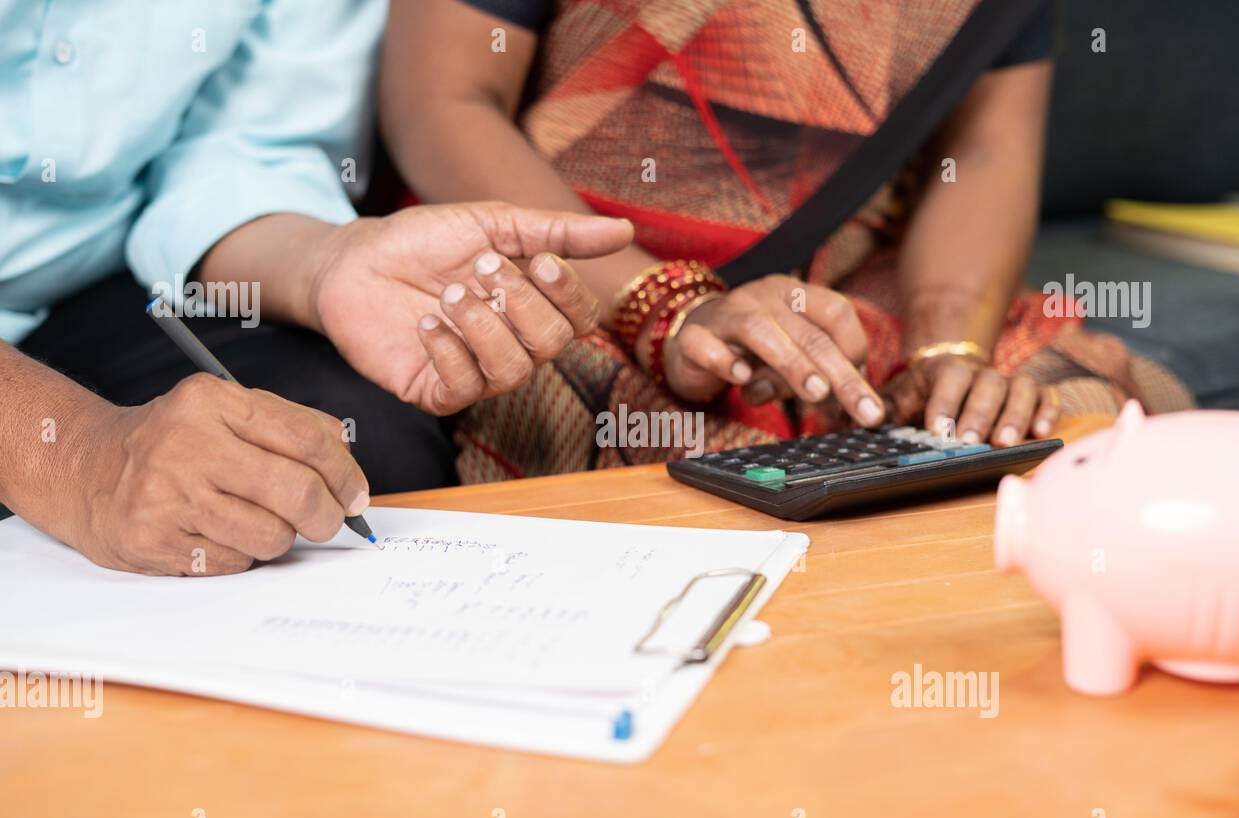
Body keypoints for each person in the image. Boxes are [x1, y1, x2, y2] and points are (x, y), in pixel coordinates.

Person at [380, 0, 1193, 481]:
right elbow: (444, 104)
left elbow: (980, 150)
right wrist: (668, 308)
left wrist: (948, 354)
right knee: (608, 439)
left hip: (843, 278)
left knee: (1062, 428)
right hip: (565, 262)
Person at [0, 0, 632, 576]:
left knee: (335, 457)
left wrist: (326, 264)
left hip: (97, 277)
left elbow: (235, 153)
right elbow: (81, 464)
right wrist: (80, 463)